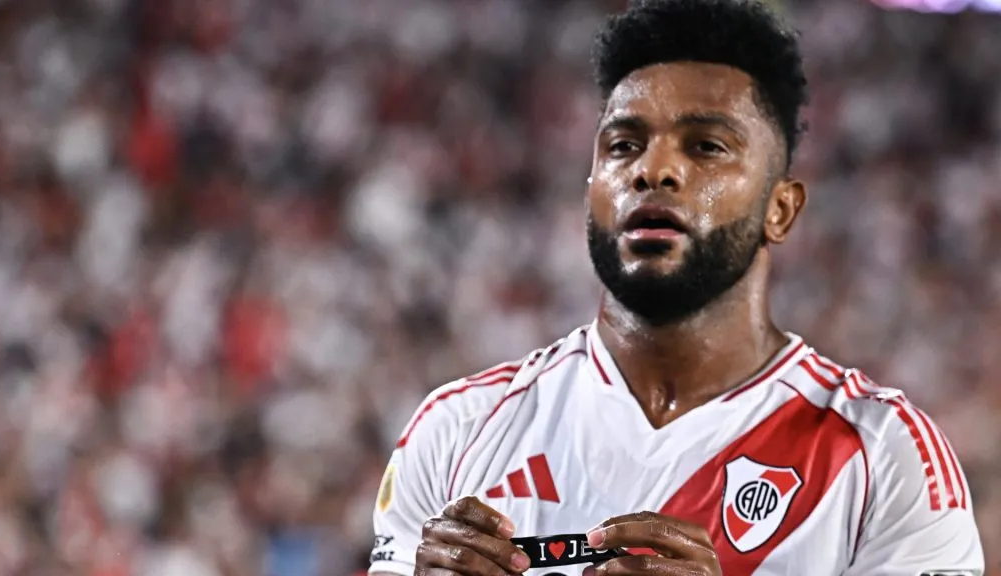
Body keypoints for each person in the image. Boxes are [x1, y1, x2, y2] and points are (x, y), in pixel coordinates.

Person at [368, 0, 985, 574]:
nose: (652, 169)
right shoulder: (456, 430)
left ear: (781, 209)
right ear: (591, 192)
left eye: (706, 146)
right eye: (624, 145)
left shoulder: (886, 457)